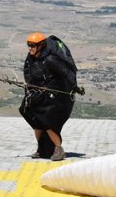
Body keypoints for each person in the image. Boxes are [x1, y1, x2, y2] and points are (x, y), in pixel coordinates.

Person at [20, 32, 78, 161]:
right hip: (39, 94)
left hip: (55, 97)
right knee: (36, 120)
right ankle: (41, 149)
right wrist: (31, 87)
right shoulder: (31, 58)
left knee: (47, 122)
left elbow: (66, 74)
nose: (30, 48)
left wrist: (73, 88)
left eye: (33, 45)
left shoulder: (51, 60)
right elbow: (28, 72)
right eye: (29, 45)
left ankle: (58, 149)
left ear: (41, 45)